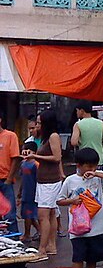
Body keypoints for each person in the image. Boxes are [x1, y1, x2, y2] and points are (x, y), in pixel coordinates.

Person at [29, 110, 63, 257]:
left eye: (40, 123)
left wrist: (35, 156)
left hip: (50, 181)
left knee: (43, 215)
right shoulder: (45, 138)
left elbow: (57, 157)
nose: (37, 125)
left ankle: (42, 249)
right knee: (51, 213)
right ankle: (51, 245)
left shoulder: (53, 136)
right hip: (44, 180)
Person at [70, 100, 103, 166]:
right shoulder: (101, 123)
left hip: (84, 159)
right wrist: (99, 141)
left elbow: (73, 142)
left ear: (82, 111)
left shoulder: (78, 124)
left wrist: (80, 142)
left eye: (77, 110)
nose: (76, 113)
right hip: (99, 159)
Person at [0, 112, 22, 235]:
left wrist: (9, 178)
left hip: (5, 181)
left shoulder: (10, 136)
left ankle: (14, 241)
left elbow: (16, 158)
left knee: (10, 214)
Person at [17, 141, 40, 243]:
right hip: (25, 193)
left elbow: (39, 179)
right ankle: (40, 231)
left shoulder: (36, 164)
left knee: (28, 215)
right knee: (27, 214)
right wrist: (20, 192)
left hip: (33, 193)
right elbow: (22, 179)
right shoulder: (23, 164)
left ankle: (27, 234)